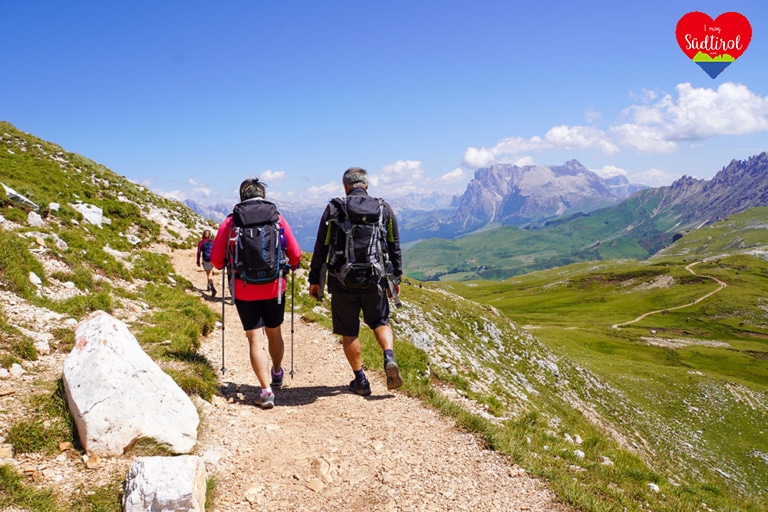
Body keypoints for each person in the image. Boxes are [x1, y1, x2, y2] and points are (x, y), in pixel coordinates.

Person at [308, 167, 403, 396]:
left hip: (342, 281)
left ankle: (360, 379)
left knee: (349, 332)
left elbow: (321, 246)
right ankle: (388, 356)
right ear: (366, 185)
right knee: (380, 322)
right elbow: (394, 244)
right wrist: (396, 277)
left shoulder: (335, 208)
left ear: (345, 186)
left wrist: (315, 280)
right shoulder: (383, 208)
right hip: (375, 280)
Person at [210, 178, 301, 409]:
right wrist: (288, 267)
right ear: (263, 195)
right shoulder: (277, 218)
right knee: (274, 332)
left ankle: (265, 390)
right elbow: (296, 254)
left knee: (254, 338)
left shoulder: (231, 222)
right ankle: (277, 372)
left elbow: (217, 261)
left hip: (244, 289)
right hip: (274, 287)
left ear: (242, 196)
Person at [196, 229, 216, 297]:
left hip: (206, 259)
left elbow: (199, 252)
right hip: (213, 259)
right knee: (210, 272)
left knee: (208, 275)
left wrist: (198, 261)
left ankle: (212, 288)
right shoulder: (213, 241)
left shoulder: (201, 242)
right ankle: (208, 286)